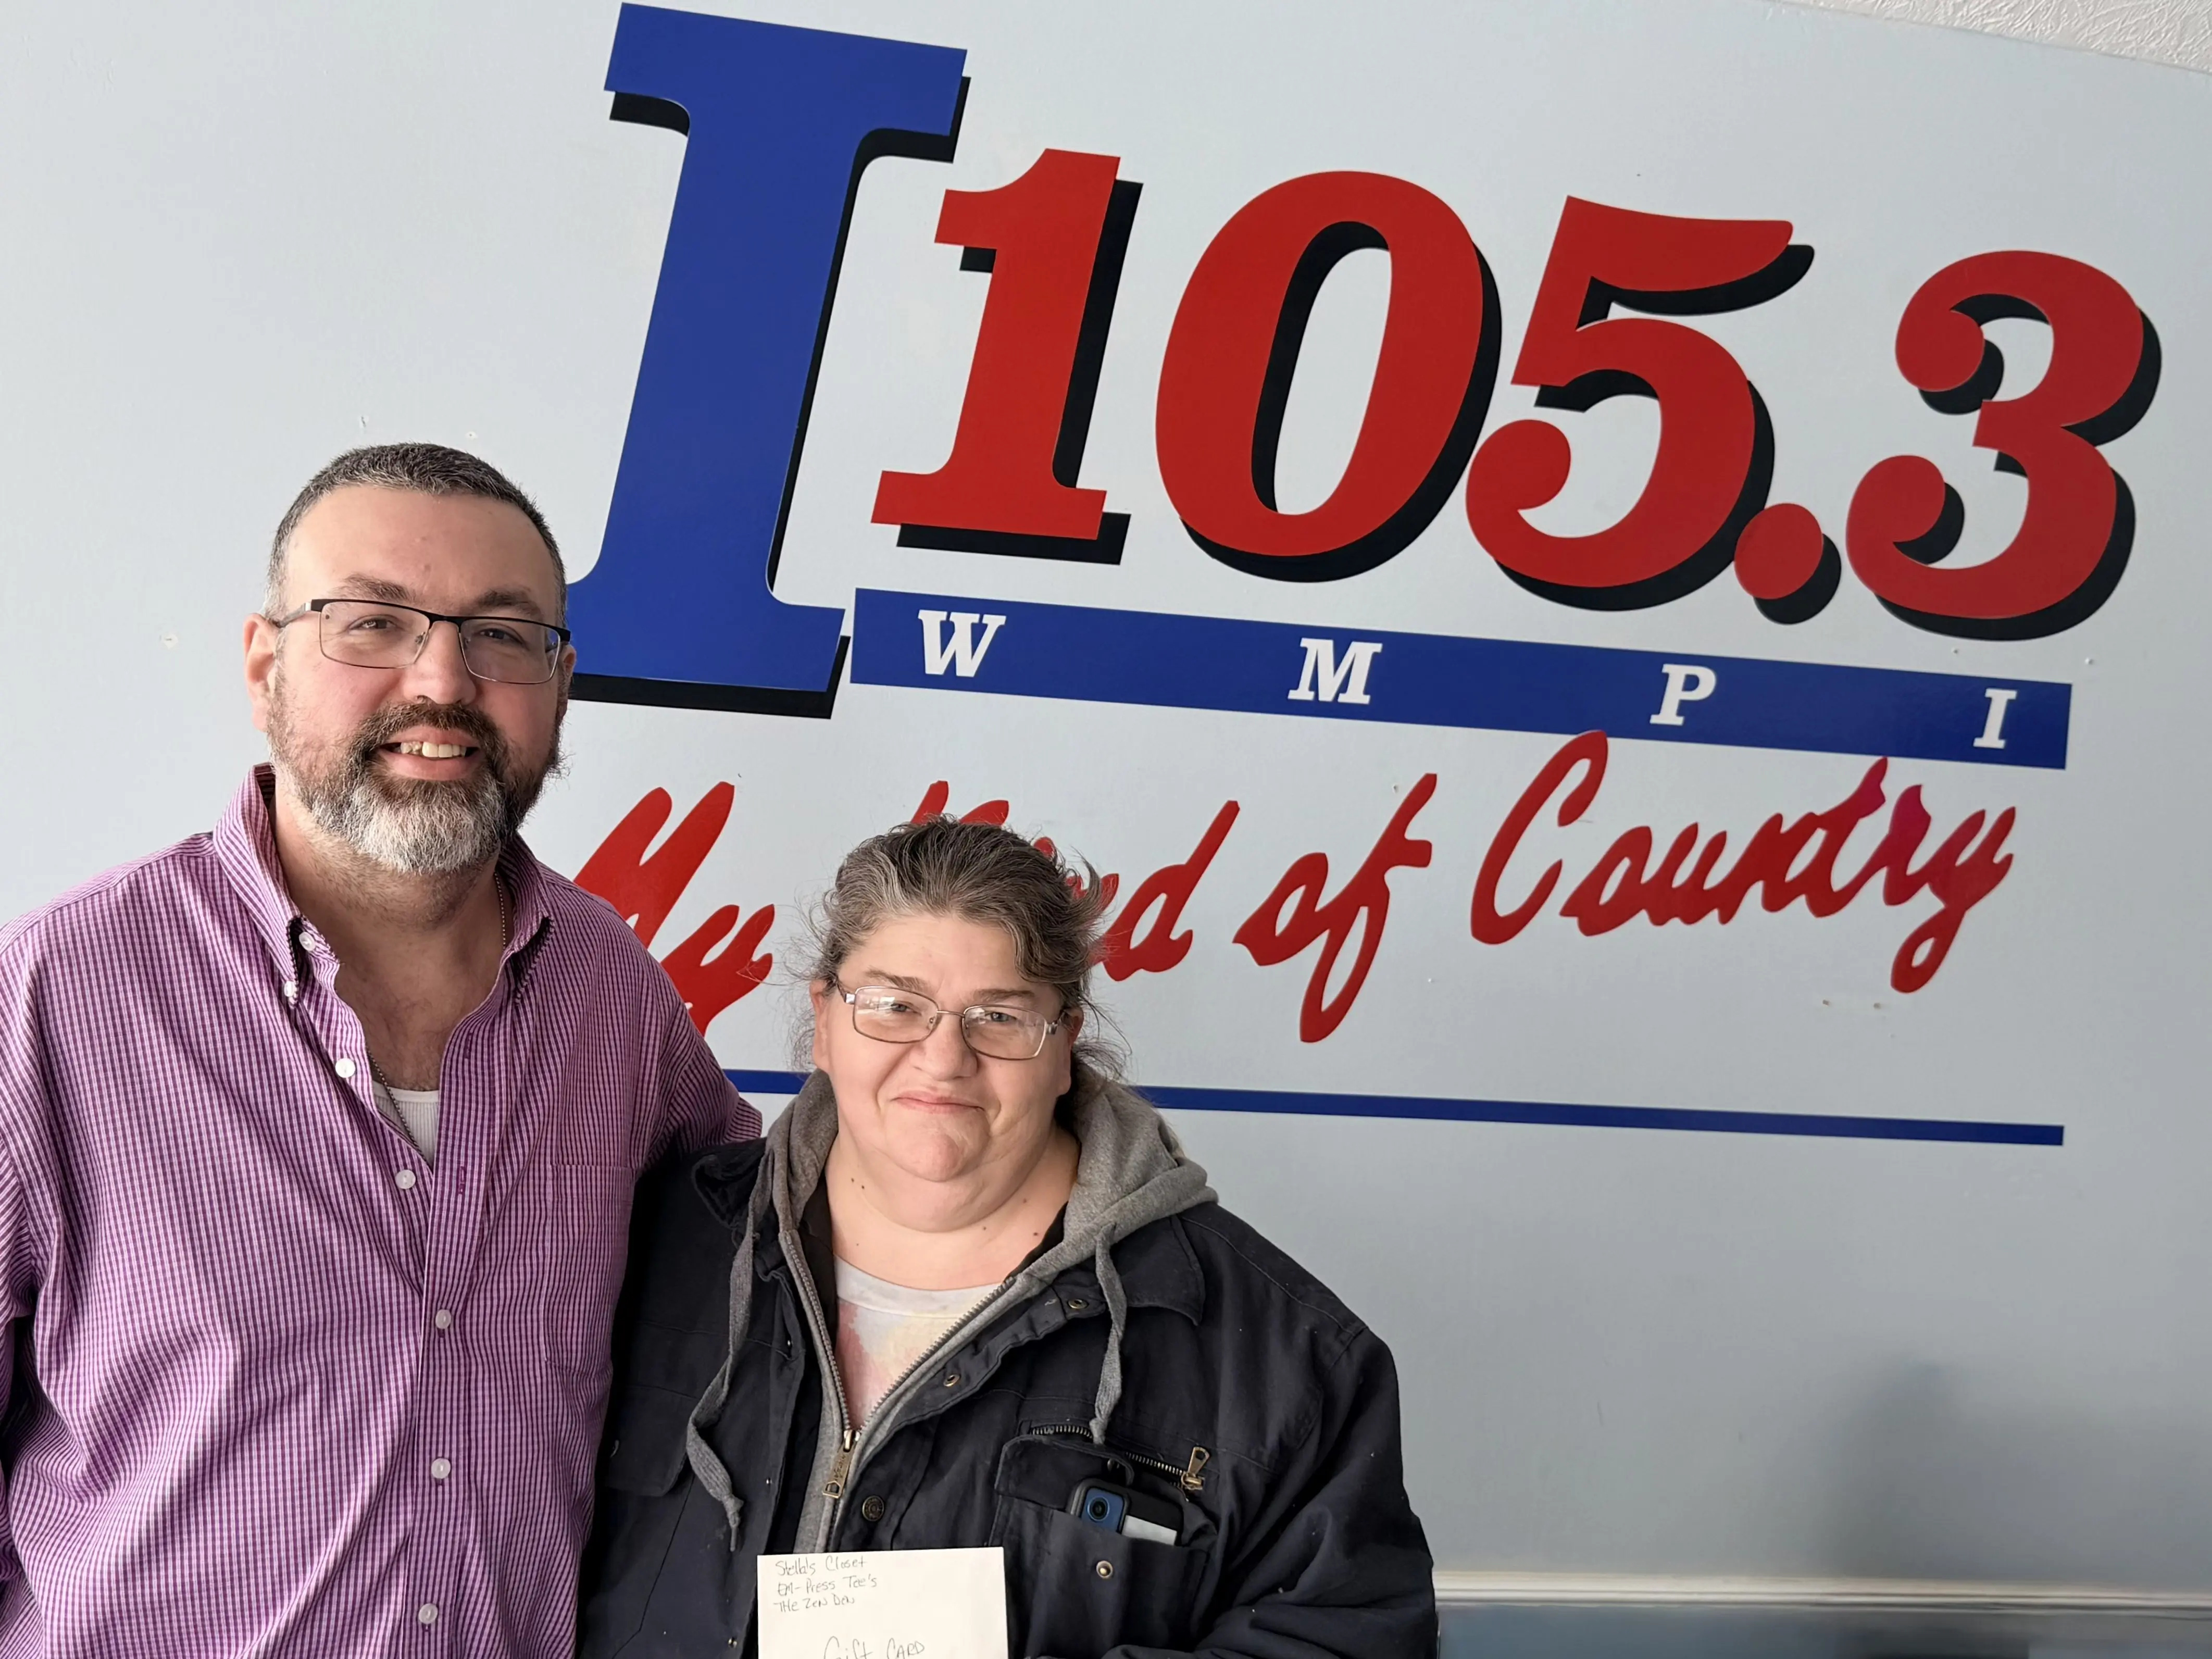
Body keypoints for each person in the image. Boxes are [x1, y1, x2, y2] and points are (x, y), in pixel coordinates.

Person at [0, 444, 756, 1655]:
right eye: (372, 623)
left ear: (559, 686)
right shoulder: (56, 994)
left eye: (504, 635)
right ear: (263, 664)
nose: (443, 679)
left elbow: (794, 1275)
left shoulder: (612, 994)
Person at [580, 817, 1436, 1657]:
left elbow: (1341, 1638)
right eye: (893, 1005)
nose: (943, 1058)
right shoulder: (641, 1248)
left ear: (1064, 1043)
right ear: (824, 1021)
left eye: (997, 1015)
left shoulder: (1287, 1360)